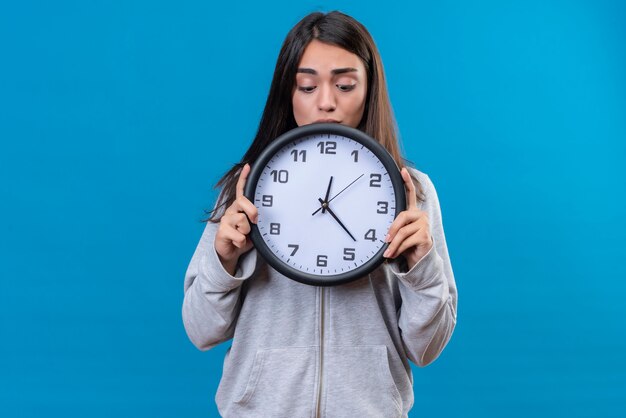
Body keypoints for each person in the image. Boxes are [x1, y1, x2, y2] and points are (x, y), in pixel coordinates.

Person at [182, 11, 457, 417]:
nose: (326, 102)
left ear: (369, 90)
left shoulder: (411, 192)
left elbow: (427, 348)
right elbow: (202, 331)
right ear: (287, 93)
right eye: (307, 86)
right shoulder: (244, 188)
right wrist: (222, 260)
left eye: (345, 85)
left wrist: (421, 267)